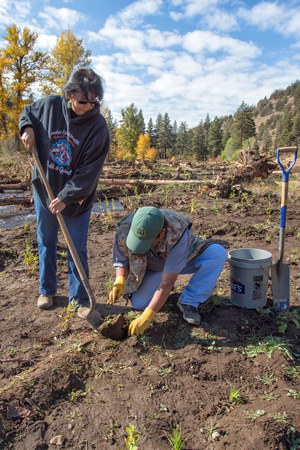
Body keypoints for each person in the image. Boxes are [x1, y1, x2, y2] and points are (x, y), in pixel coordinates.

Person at [20, 67, 109, 317]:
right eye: (83, 101)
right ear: (70, 95)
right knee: (46, 240)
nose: (89, 107)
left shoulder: (98, 127)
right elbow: (27, 112)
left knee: (76, 247)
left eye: (94, 102)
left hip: (77, 199)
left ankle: (79, 298)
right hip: (45, 188)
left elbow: (89, 172)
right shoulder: (49, 106)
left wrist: (66, 197)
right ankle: (46, 290)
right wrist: (26, 128)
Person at [108, 206, 227, 336]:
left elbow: (167, 282)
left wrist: (148, 316)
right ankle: (156, 286)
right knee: (139, 304)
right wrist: (120, 279)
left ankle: (189, 301)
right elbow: (121, 261)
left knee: (217, 253)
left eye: (147, 242)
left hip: (185, 257)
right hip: (152, 268)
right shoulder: (124, 229)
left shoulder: (177, 232)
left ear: (162, 233)